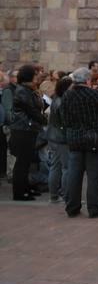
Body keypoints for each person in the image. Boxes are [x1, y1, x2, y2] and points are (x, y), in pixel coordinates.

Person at [62, 67, 98, 218]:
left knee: (74, 174)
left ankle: (72, 206)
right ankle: (94, 208)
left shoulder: (67, 95)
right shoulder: (94, 94)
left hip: (74, 138)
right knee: (95, 175)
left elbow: (64, 117)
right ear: (87, 80)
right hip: (94, 138)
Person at [9, 64, 46, 201]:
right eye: (35, 74)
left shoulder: (28, 90)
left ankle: (26, 188)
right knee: (22, 163)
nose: (38, 76)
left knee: (27, 162)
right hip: (23, 130)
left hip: (28, 129)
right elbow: (32, 110)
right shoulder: (22, 91)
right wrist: (44, 119)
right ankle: (19, 192)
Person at [46, 75, 72, 204]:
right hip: (61, 137)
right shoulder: (62, 102)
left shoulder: (56, 98)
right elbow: (66, 121)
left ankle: (54, 195)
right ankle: (67, 196)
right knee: (66, 167)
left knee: (55, 166)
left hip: (53, 136)